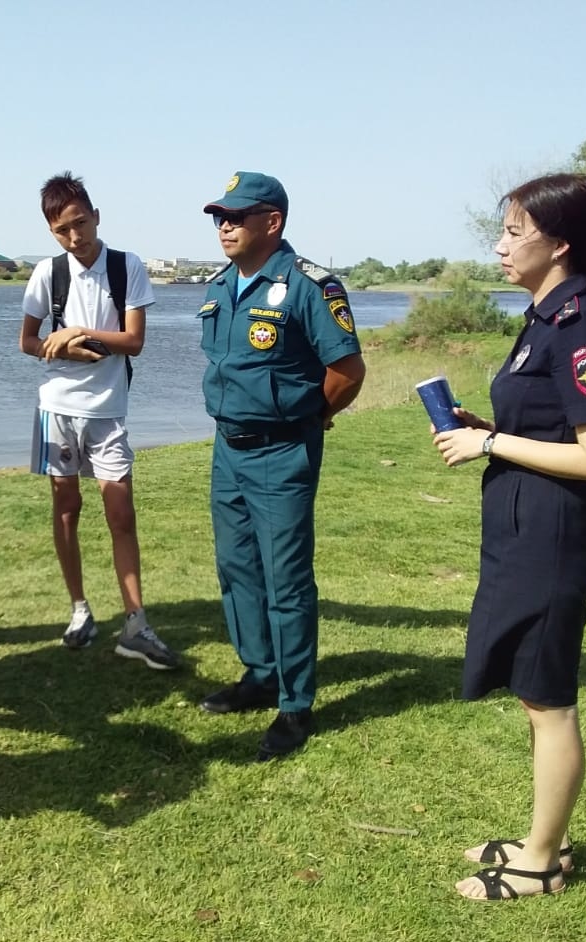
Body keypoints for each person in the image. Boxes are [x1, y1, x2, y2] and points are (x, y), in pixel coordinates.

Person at [433, 173, 586, 900]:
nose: (499, 245)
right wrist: (490, 430)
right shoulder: (544, 318)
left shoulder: (583, 327)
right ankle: (543, 833)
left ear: (560, 243)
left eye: (515, 232)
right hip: (520, 525)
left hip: (552, 533)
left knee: (551, 700)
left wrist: (490, 448)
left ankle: (540, 863)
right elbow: (543, 425)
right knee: (532, 694)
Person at [196, 171, 366, 761]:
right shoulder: (221, 286)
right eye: (220, 216)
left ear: (273, 222)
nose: (224, 225)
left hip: (280, 452)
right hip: (228, 449)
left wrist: (308, 417)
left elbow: (346, 372)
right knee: (237, 568)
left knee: (286, 579)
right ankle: (260, 673)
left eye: (237, 216)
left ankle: (295, 702)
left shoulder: (308, 286)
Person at [19, 172, 180, 670]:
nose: (75, 237)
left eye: (81, 223)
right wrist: (60, 345)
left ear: (96, 215)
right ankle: (79, 609)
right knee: (66, 508)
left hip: (108, 412)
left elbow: (133, 341)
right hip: (57, 409)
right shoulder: (47, 273)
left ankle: (136, 622)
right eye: (63, 230)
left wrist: (76, 333)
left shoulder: (126, 267)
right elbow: (27, 342)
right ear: (51, 232)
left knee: (121, 514)